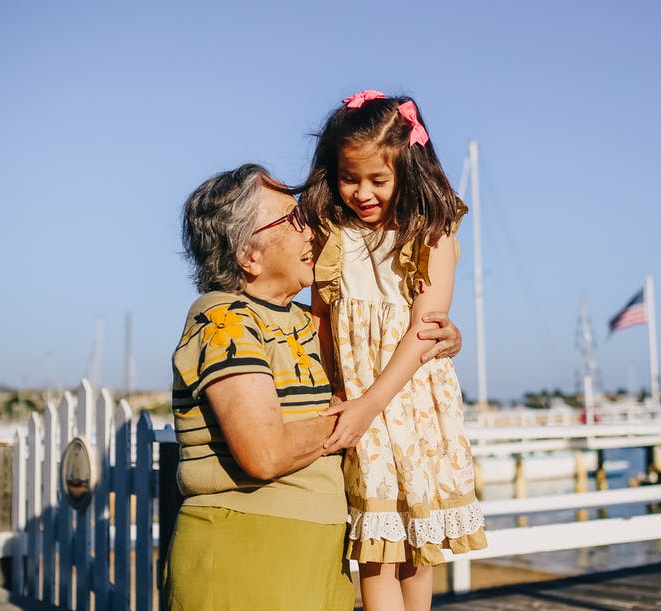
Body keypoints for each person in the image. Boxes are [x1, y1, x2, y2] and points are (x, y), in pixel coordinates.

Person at [165, 163, 464, 611]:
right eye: (292, 217)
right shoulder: (224, 319)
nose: (311, 228)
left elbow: (375, 349)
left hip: (317, 560)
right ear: (249, 255)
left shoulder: (305, 324)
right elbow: (264, 452)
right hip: (247, 554)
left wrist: (439, 340)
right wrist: (356, 414)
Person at [299, 90, 487, 611]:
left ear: (409, 168)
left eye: (378, 180)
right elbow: (319, 320)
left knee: (413, 552)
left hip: (408, 402)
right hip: (354, 400)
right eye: (348, 177)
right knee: (375, 554)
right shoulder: (333, 234)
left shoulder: (430, 233)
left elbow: (425, 331)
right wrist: (335, 392)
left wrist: (369, 404)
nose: (362, 192)